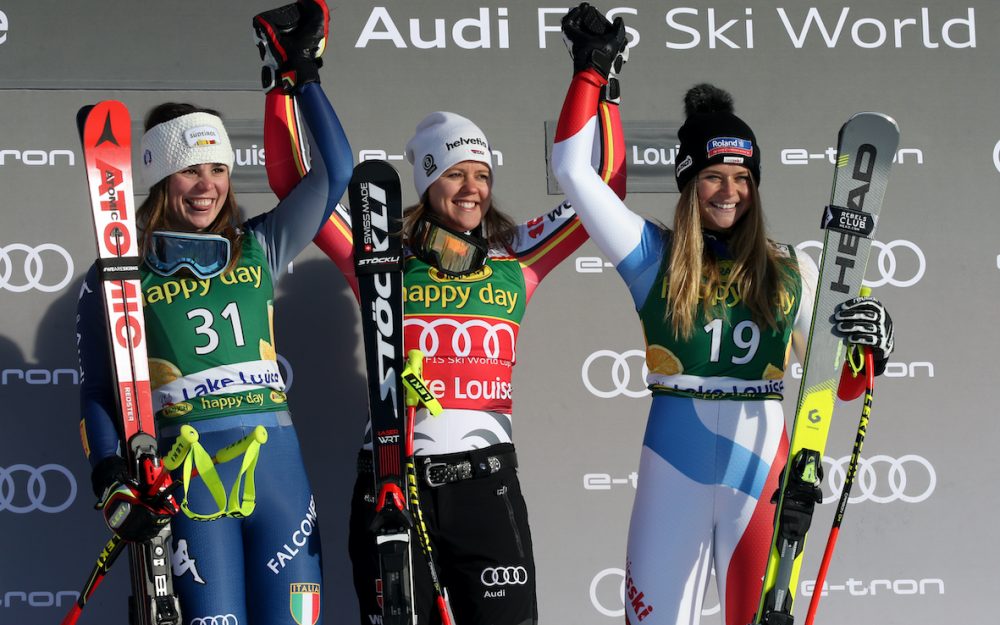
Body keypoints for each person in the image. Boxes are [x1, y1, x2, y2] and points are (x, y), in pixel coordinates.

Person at [550, 5, 896, 625]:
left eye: (741, 177)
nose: (729, 190)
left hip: (760, 465)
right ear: (689, 183)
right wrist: (590, 73)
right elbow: (575, 172)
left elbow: (839, 388)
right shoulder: (650, 254)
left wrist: (867, 346)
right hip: (672, 466)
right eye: (713, 176)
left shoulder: (792, 269)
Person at [263, 88, 625, 624]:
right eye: (456, 173)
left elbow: (604, 186)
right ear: (428, 180)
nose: (472, 188)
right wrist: (290, 80)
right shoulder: (381, 255)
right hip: (393, 479)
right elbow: (298, 187)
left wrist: (597, 81)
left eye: (482, 175)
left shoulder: (517, 254)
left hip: (484, 483)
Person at [75, 2, 352, 623]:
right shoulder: (119, 273)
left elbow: (337, 173)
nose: (207, 186)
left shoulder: (259, 244)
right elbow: (98, 389)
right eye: (189, 171)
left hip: (279, 477)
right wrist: (112, 479)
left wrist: (302, 76)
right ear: (157, 178)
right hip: (187, 480)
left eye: (219, 169)